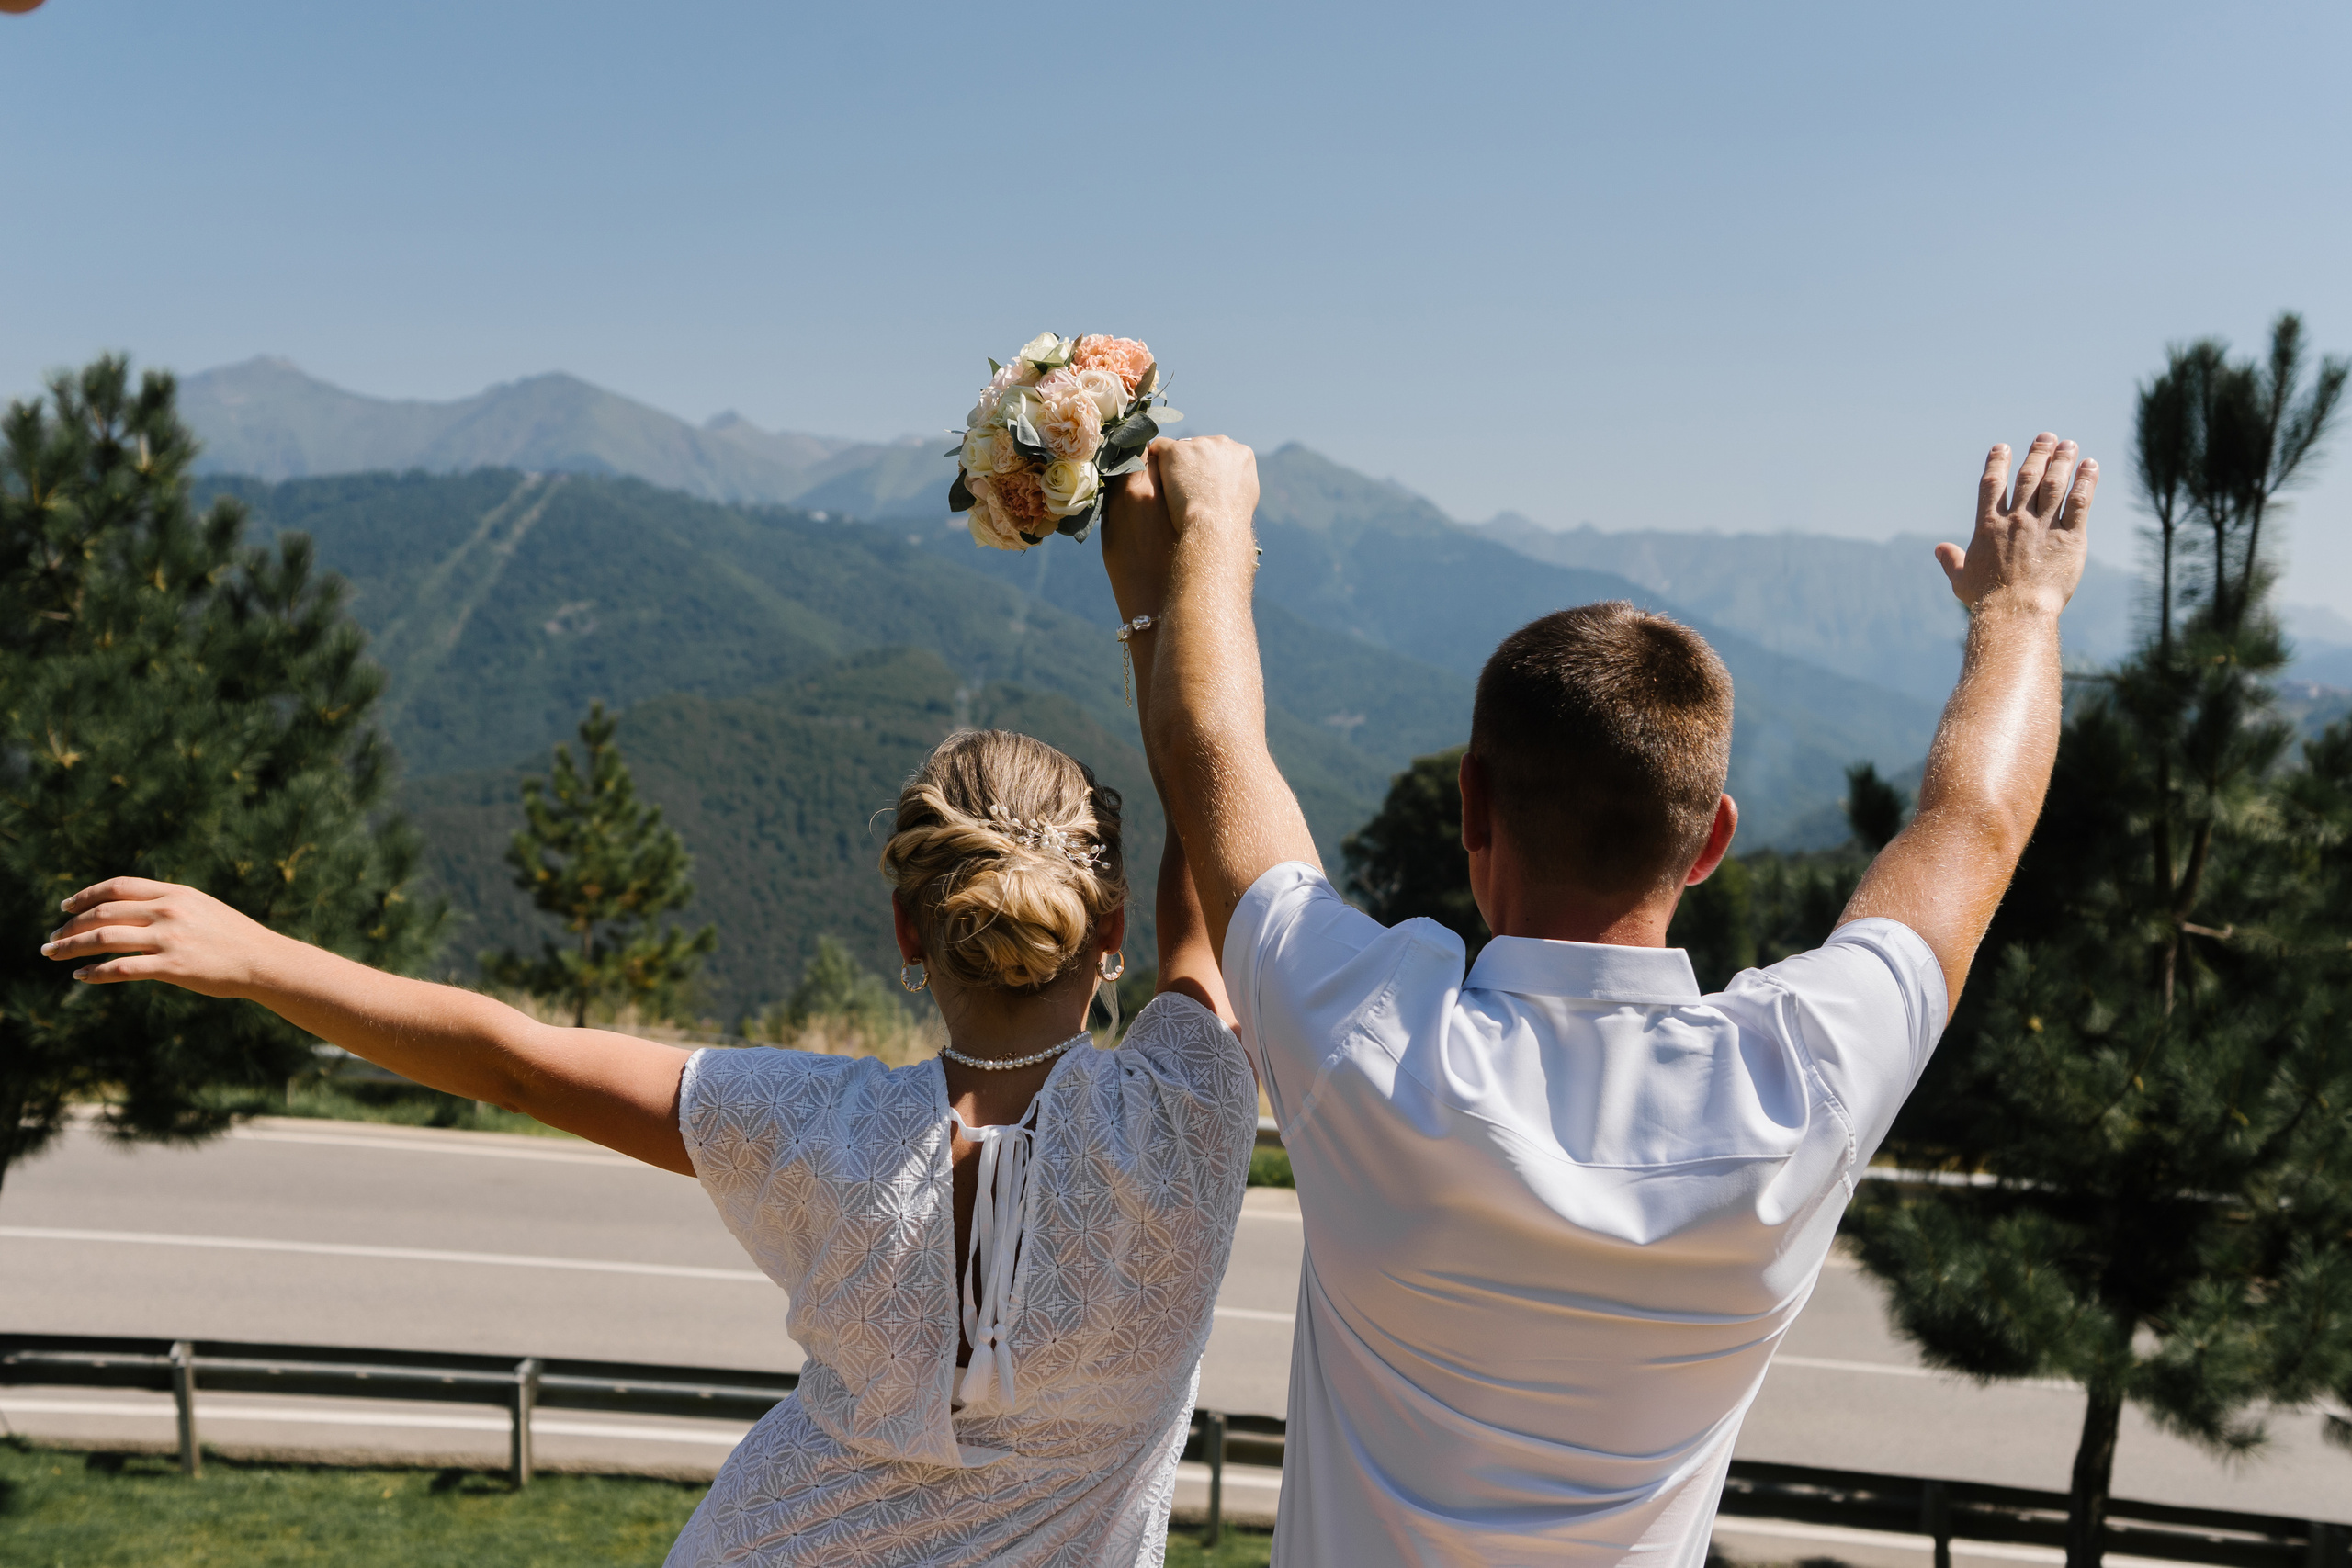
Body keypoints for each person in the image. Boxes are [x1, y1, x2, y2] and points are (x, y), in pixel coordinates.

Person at [1107, 431, 2098, 1565]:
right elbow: (1972, 822)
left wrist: (1209, 531)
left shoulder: (1369, 1035)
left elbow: (1210, 750)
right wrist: (2021, 608)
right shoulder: (1802, 1080)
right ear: (1711, 842)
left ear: (1471, 806)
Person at [42, 722, 1260, 1562]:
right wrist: (1167, 590)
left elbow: (514, 1056)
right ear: (1106, 934)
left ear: (906, 933)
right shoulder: (1191, 1117)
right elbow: (1211, 857)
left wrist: (261, 958)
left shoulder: (811, 1129)